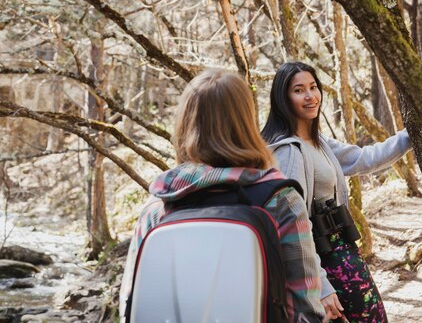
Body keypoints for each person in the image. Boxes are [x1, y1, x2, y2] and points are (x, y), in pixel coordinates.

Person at [119, 68, 325, 323]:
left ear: (185, 124)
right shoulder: (280, 200)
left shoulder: (159, 206)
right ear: (246, 123)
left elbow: (130, 304)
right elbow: (305, 309)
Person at [262, 62, 412, 323]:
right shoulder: (288, 153)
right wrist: (320, 285)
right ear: (283, 99)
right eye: (299, 90)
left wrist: (410, 136)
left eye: (313, 87)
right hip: (322, 261)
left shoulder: (316, 140)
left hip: (342, 251)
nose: (310, 96)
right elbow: (292, 226)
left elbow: (363, 159)